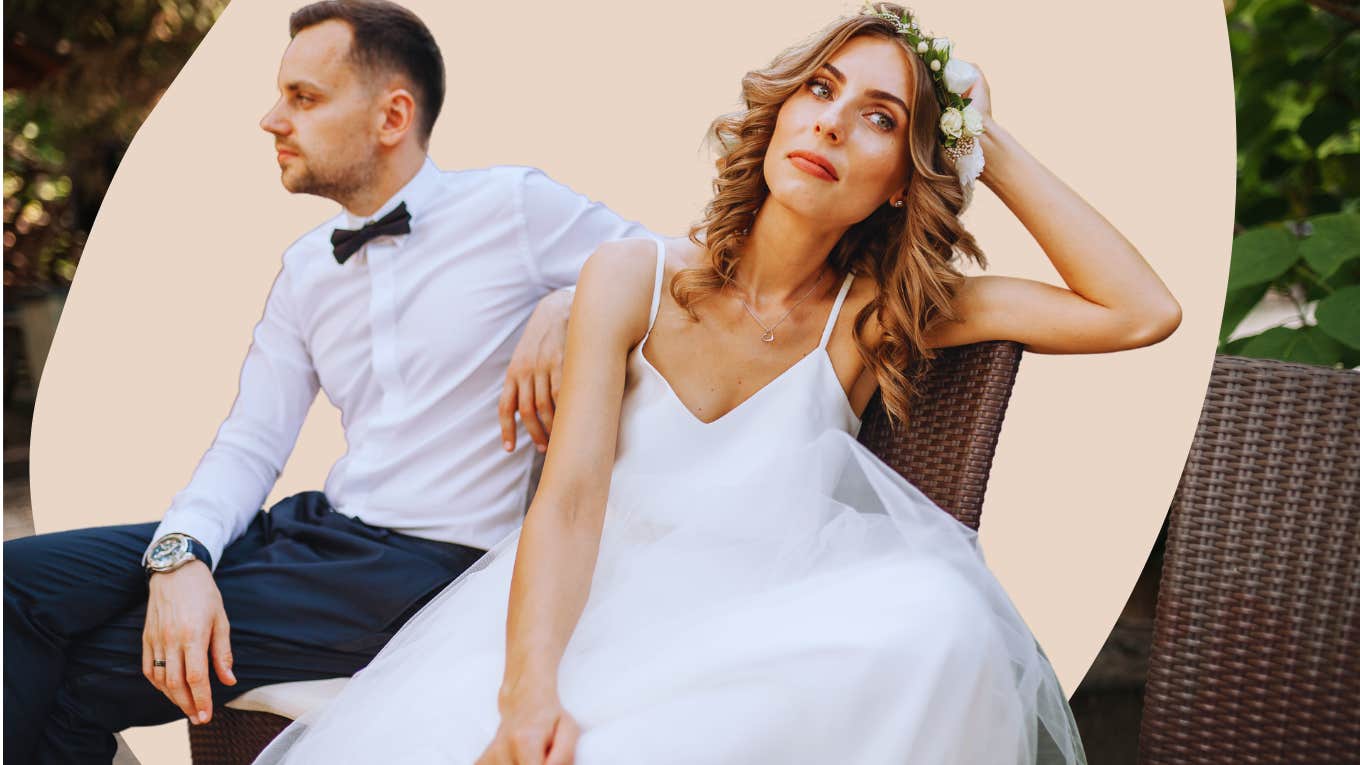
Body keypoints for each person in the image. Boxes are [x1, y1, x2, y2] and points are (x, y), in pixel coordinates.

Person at [255, 4, 1182, 764]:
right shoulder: (629, 278)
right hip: (594, 621)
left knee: (942, 620)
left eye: (880, 116)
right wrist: (530, 692)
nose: (830, 119)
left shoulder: (870, 317)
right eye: (819, 89)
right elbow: (570, 501)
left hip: (766, 631)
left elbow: (1138, 310)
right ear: (779, 113)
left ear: (903, 178)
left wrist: (987, 136)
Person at [2, 1, 652, 761]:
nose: (272, 119)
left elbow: (679, 270)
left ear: (391, 116)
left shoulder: (513, 208)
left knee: (84, 669)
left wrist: (572, 298)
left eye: (304, 98)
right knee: (17, 580)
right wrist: (182, 555)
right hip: (315, 528)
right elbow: (248, 442)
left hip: (428, 566)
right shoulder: (308, 268)